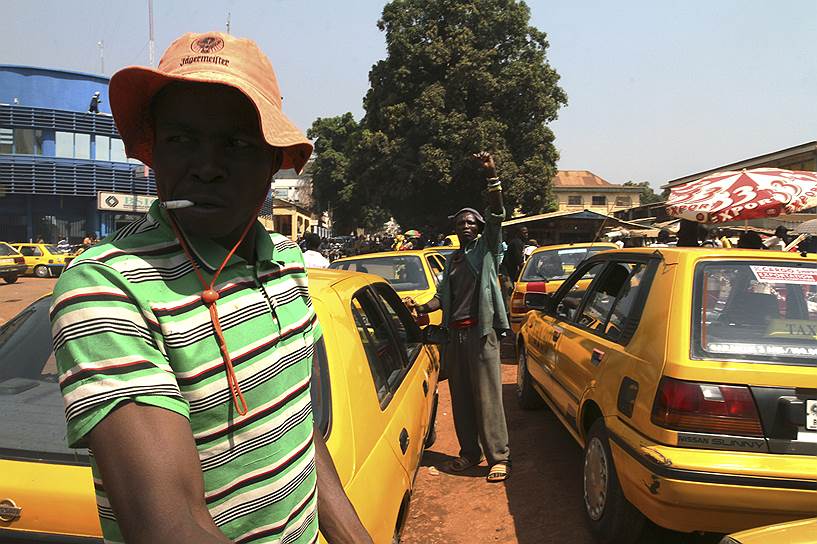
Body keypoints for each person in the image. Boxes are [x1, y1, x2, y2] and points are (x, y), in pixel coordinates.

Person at [50, 31, 371, 544]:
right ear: (154, 152)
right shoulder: (107, 287)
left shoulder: (287, 265)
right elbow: (170, 526)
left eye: (236, 143)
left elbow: (298, 426)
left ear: (273, 161)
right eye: (181, 140)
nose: (205, 166)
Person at [404, 151, 511, 483]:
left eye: (470, 222)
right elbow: (441, 298)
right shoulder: (452, 260)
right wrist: (420, 307)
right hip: (458, 335)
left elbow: (496, 214)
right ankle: (469, 453)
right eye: (460, 222)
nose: (465, 225)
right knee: (462, 398)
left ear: (479, 227)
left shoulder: (487, 250)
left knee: (488, 397)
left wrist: (492, 176)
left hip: (482, 334)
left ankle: (498, 457)